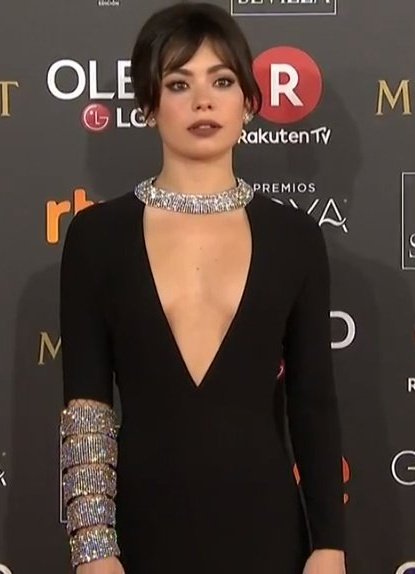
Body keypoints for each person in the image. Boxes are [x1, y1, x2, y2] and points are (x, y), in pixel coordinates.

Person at [59, 2, 347, 573]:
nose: (202, 101)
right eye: (178, 83)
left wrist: (329, 545)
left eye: (221, 81)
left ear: (248, 103)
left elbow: (313, 403)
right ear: (148, 106)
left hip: (268, 535)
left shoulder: (294, 238)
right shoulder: (97, 237)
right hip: (138, 538)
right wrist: (93, 549)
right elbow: (87, 409)